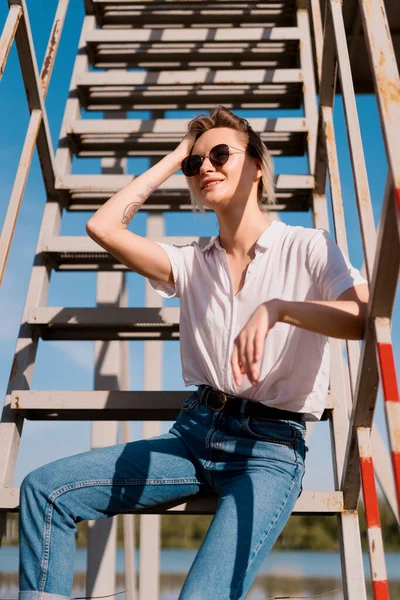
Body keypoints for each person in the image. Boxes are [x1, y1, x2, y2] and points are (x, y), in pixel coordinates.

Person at [18, 106, 369, 600]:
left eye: (221, 154)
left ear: (258, 166)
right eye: (195, 163)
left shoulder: (308, 246)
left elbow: (361, 317)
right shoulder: (189, 261)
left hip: (268, 452)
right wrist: (176, 156)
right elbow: (103, 228)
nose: (206, 167)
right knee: (44, 491)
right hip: (193, 435)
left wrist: (279, 309)